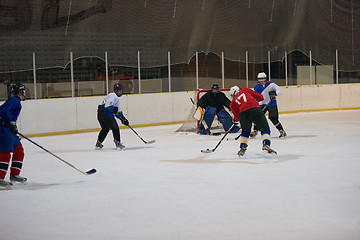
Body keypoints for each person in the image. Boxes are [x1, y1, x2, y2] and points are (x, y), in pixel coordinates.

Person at [230, 86, 277, 157]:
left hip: (243, 114)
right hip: (255, 109)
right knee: (265, 129)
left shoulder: (233, 102)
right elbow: (260, 97)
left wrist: (237, 121)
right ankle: (266, 144)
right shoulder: (245, 90)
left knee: (245, 131)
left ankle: (242, 147)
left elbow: (236, 117)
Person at [0, 83, 27, 189]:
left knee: (19, 150)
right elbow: (2, 111)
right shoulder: (14, 100)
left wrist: (12, 126)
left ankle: (14, 175)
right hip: (4, 129)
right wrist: (10, 122)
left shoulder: (15, 101)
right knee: (5, 153)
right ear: (21, 92)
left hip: (9, 130)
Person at [250, 72, 287, 138]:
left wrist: (275, 93)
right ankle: (255, 130)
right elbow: (257, 97)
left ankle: (281, 131)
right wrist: (259, 103)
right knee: (257, 117)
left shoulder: (271, 84)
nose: (261, 81)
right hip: (262, 104)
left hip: (272, 104)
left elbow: (279, 91)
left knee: (273, 117)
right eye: (260, 80)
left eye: (263, 79)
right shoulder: (256, 87)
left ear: (265, 79)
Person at [95, 83, 129, 150]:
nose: (121, 92)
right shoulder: (113, 95)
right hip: (106, 114)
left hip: (100, 114)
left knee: (105, 129)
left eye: (121, 91)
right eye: (120, 91)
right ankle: (118, 143)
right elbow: (108, 107)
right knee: (115, 128)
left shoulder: (114, 97)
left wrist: (123, 119)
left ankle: (98, 143)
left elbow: (117, 111)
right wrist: (114, 110)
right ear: (116, 91)